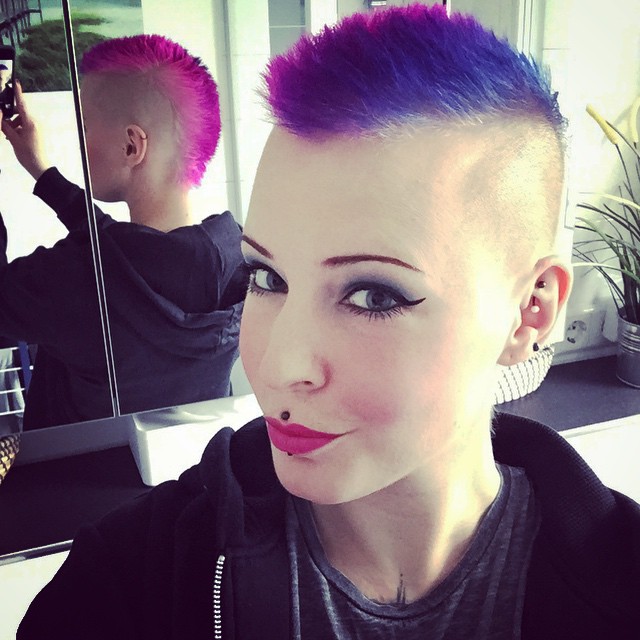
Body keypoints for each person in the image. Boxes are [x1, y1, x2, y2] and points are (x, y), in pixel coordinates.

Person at [18, 5, 640, 639]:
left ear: (530, 310)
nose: (278, 365)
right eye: (267, 277)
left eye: (372, 296)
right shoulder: (126, 584)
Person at [0, 35, 246, 429]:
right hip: (180, 463)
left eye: (85, 127)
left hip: (68, 467)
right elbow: (126, 257)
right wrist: (41, 171)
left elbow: (109, 264)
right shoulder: (240, 263)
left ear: (131, 146)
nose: (81, 143)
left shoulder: (78, 276)